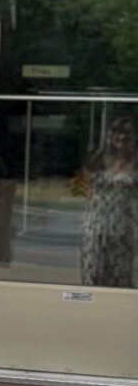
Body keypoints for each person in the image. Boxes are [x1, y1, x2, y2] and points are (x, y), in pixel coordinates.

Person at [81, 116, 137, 289]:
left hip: (124, 225)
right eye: (117, 132)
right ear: (109, 135)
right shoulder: (97, 158)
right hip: (96, 224)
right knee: (93, 272)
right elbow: (80, 187)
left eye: (127, 133)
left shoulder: (136, 162)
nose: (121, 137)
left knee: (120, 274)